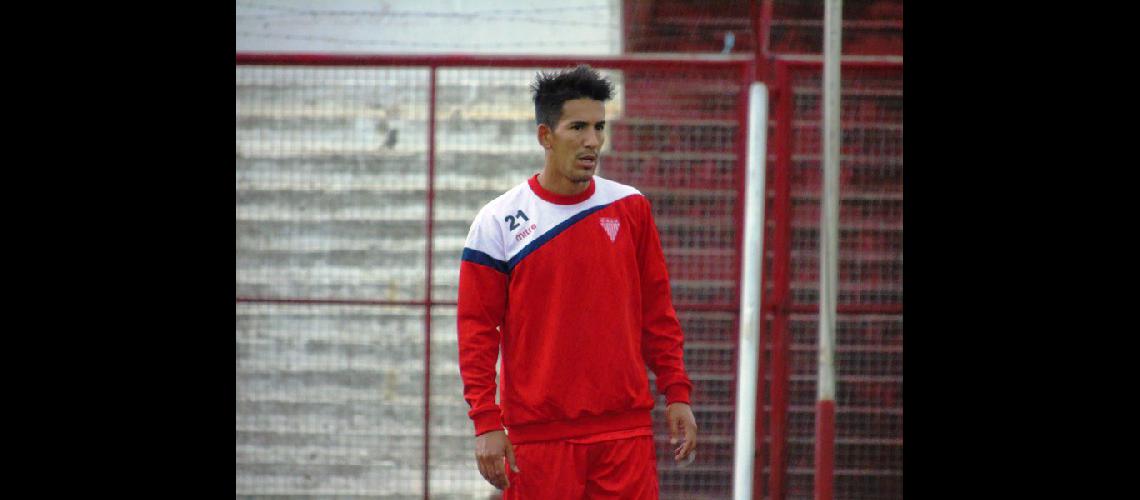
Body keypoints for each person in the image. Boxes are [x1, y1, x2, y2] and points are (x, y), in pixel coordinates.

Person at [457, 64, 697, 499]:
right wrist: (486, 421)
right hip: (539, 440)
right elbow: (476, 330)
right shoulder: (498, 222)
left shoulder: (631, 207)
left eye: (600, 127)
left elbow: (657, 313)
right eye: (578, 127)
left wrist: (676, 392)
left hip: (624, 435)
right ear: (545, 136)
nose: (593, 141)